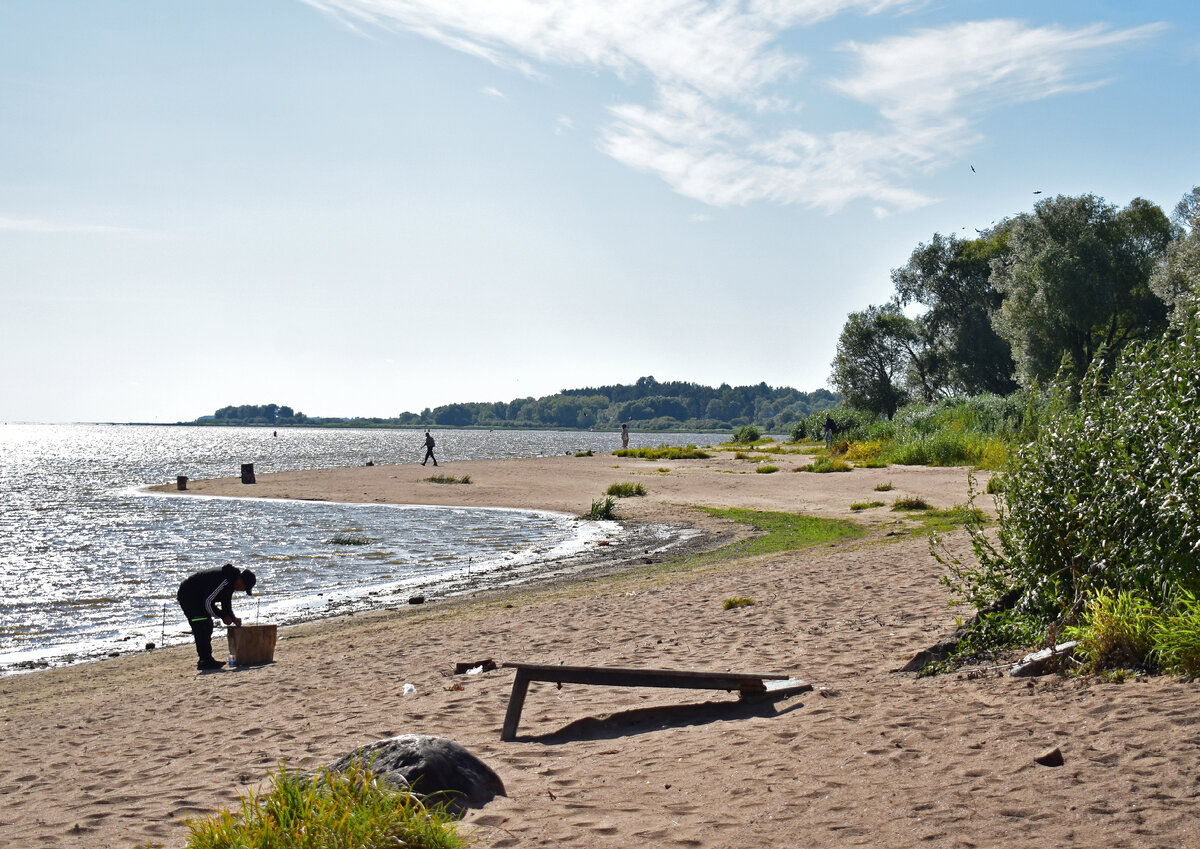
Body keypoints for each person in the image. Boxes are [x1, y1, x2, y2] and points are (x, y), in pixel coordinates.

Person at [176, 564, 256, 671]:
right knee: (201, 625)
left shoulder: (230, 583)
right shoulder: (224, 580)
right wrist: (222, 616)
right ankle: (204, 661)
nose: (242, 590)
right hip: (189, 595)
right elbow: (208, 601)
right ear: (241, 581)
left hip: (200, 598)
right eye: (244, 588)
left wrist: (232, 618)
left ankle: (207, 659)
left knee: (207, 625)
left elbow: (226, 604)